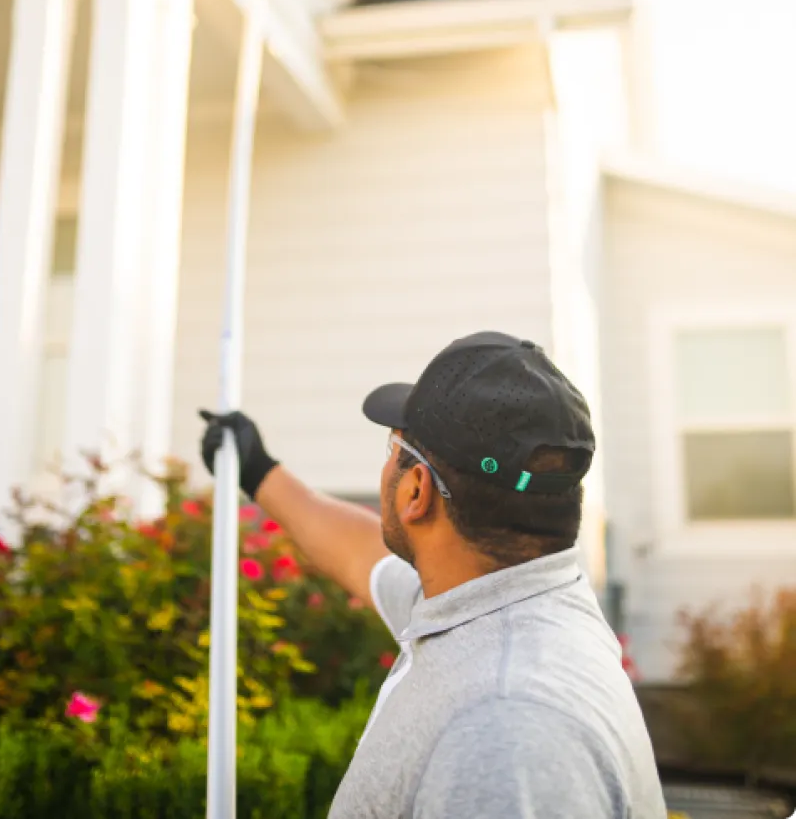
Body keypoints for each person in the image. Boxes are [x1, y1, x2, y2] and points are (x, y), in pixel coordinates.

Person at [199, 331, 666, 818]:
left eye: (393, 448)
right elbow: (360, 555)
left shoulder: (501, 735)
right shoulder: (510, 600)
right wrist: (257, 470)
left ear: (415, 491)